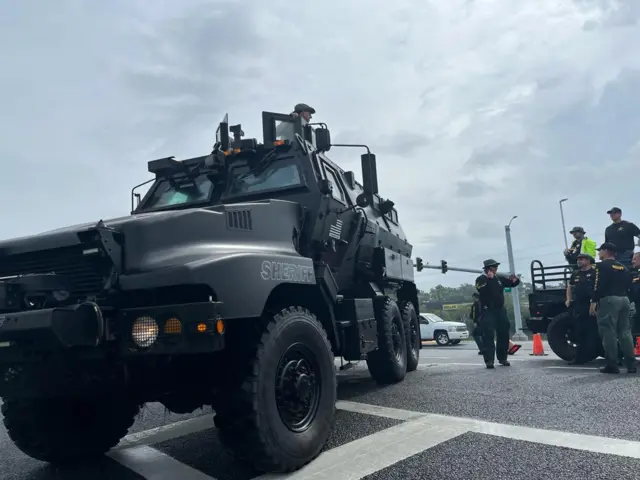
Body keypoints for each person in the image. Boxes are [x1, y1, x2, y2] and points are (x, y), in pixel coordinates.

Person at [590, 242, 636, 374]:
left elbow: (598, 284)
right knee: (625, 332)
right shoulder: (623, 267)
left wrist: (594, 301)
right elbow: (629, 284)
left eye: (600, 251)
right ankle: (631, 364)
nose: (599, 253)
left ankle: (612, 364)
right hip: (624, 299)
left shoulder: (601, 266)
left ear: (606, 251)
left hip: (609, 300)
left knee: (608, 331)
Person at [474, 259, 521, 369]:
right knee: (489, 335)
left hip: (500, 310)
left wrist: (515, 280)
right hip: (488, 310)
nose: (496, 268)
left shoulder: (498, 278)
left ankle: (503, 358)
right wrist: (489, 279)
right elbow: (482, 290)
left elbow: (511, 284)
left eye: (496, 267)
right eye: (494, 267)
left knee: (503, 333)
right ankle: (489, 360)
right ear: (488, 268)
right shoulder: (481, 279)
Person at [564, 253, 597, 364]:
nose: (579, 261)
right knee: (580, 332)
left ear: (588, 261)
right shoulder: (576, 274)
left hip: (593, 304)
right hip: (580, 305)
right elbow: (570, 286)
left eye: (582, 259)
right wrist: (568, 299)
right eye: (578, 259)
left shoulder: (594, 272)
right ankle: (580, 357)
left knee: (596, 331)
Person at [629, 252, 640, 348]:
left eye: (635, 259)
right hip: (637, 305)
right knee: (636, 330)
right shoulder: (635, 274)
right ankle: (638, 353)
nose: (632, 261)